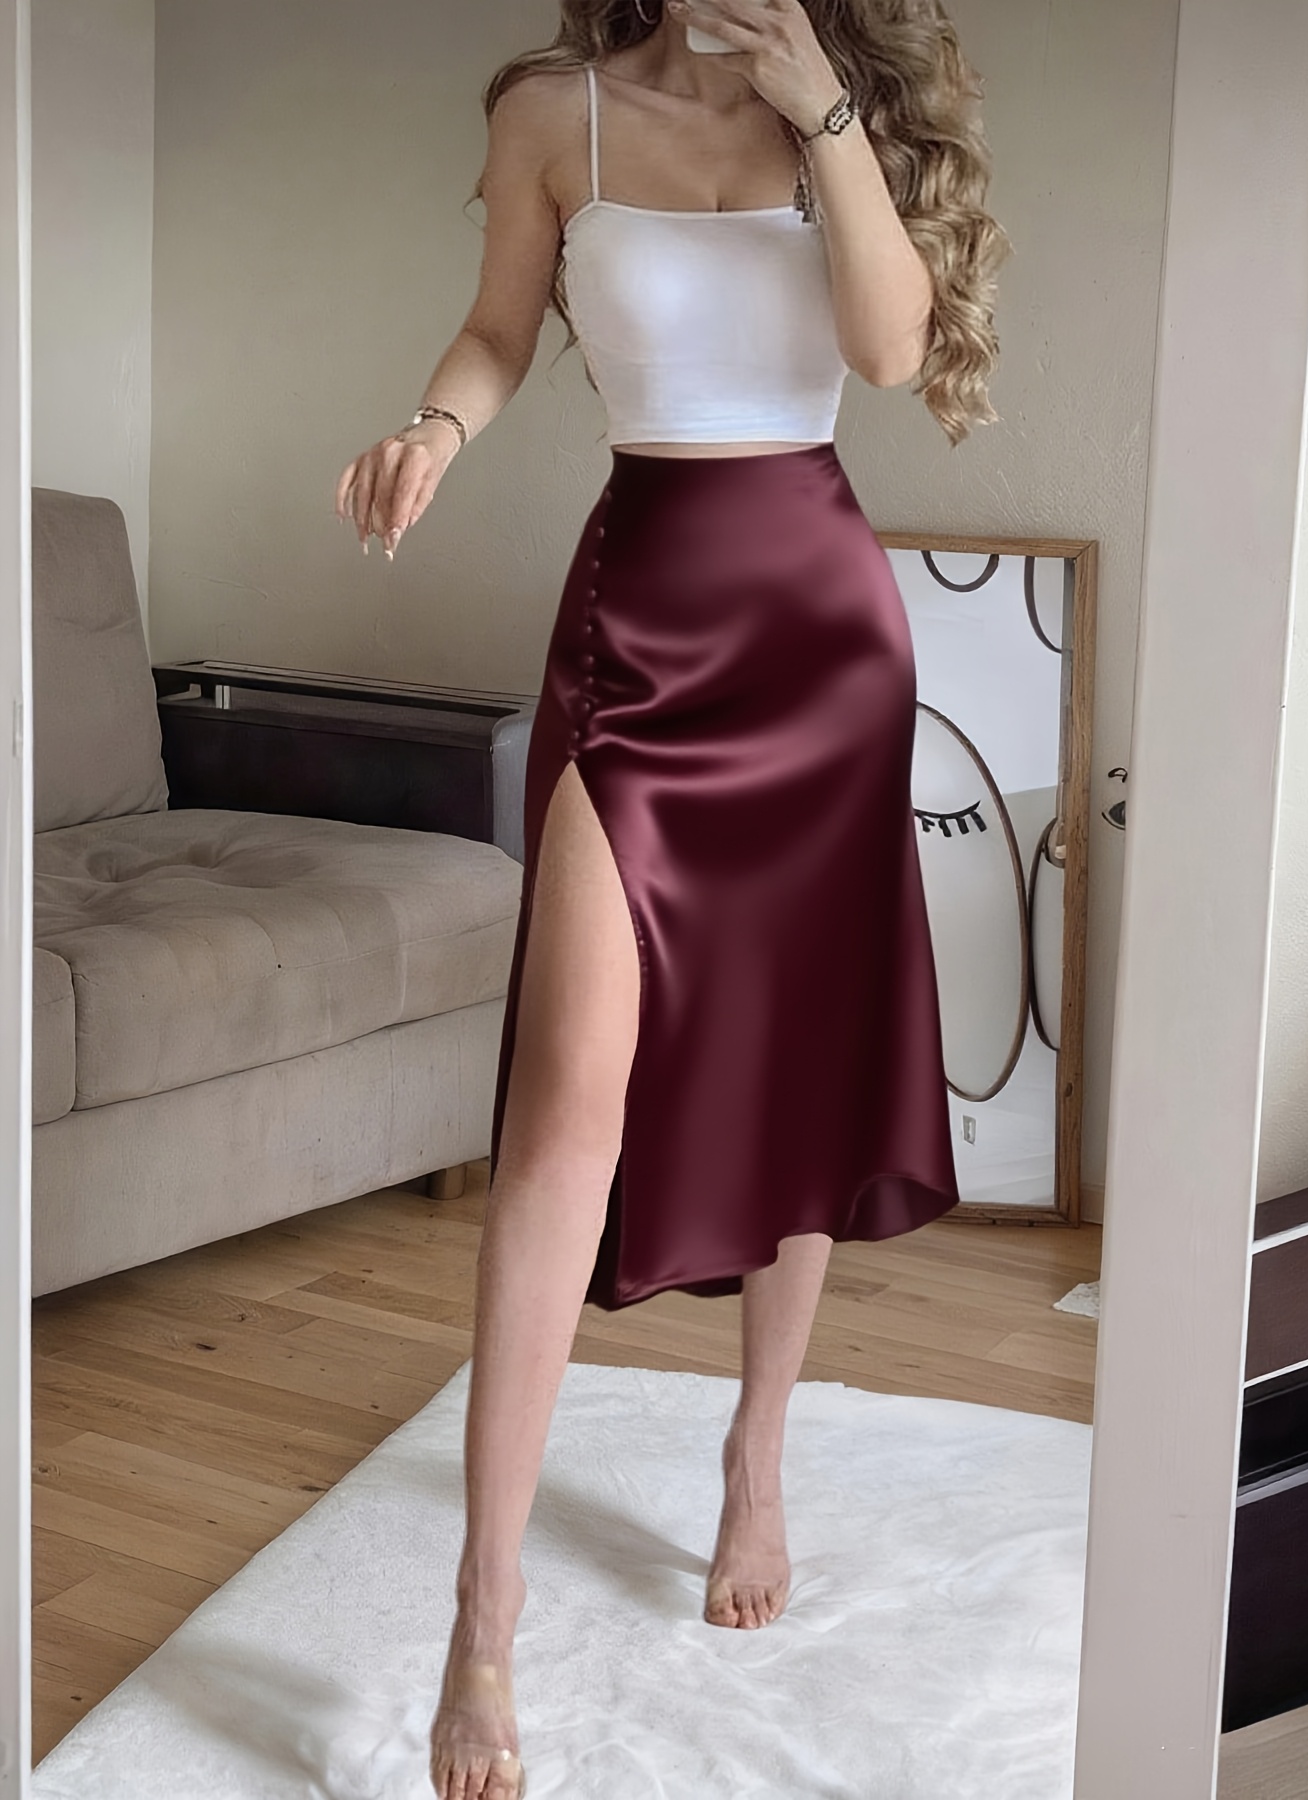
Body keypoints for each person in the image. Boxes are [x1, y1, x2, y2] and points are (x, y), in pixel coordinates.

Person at [336, 2, 1007, 1794]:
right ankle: (484, 1609)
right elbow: (499, 328)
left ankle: (756, 1455)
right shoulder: (553, 112)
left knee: (794, 1064)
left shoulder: (831, 104)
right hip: (638, 628)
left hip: (819, 639)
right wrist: (434, 427)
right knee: (564, 1103)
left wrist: (821, 110)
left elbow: (887, 350)